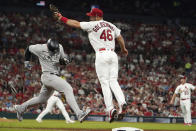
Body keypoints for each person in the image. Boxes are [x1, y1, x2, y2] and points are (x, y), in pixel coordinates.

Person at [54, 8, 128, 122]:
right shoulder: (111, 25)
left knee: (104, 83)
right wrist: (123, 49)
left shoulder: (93, 24)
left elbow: (76, 24)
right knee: (113, 81)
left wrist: (61, 18)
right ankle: (122, 103)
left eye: (91, 16)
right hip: (113, 54)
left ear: (97, 16)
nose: (90, 17)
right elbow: (120, 38)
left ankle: (110, 109)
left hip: (101, 54)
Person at [14, 38, 91, 123]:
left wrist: (65, 61)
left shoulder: (59, 47)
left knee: (42, 99)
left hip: (53, 76)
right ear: (47, 46)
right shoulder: (40, 48)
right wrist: (27, 61)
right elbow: (28, 48)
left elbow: (61, 61)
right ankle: (79, 113)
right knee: (67, 88)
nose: (54, 51)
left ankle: (21, 108)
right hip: (48, 75)